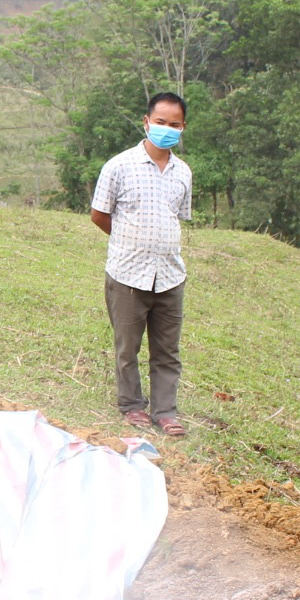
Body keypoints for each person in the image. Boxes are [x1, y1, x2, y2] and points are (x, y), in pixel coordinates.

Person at [89, 92, 193, 438]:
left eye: (173, 124)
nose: (166, 129)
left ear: (182, 128)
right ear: (147, 122)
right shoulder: (118, 166)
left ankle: (165, 411)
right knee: (127, 346)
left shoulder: (183, 173)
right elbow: (99, 215)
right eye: (160, 122)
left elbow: (178, 217)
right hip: (127, 274)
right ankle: (132, 406)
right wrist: (127, 243)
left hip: (170, 276)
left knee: (167, 351)